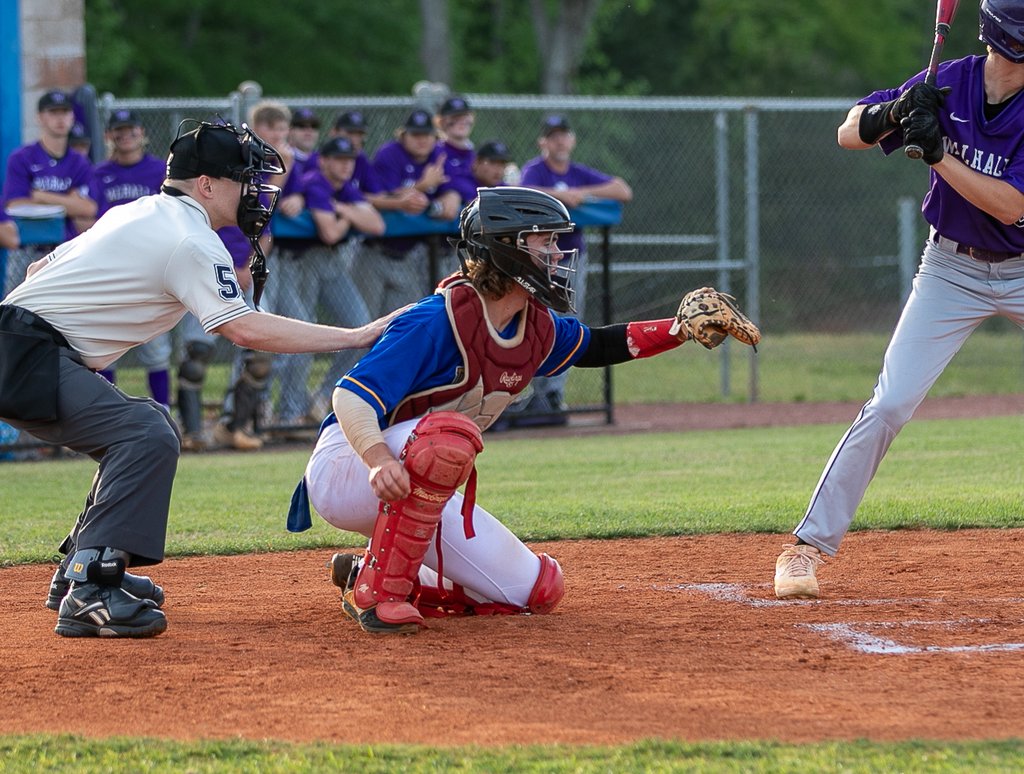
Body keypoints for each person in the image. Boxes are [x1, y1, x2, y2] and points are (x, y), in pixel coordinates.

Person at [287, 187, 746, 635]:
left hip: (414, 479)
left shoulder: (533, 325)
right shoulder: (437, 319)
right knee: (446, 439)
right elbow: (350, 396)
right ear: (506, 248)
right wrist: (377, 460)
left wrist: (678, 329)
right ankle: (378, 595)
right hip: (347, 466)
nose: (558, 253)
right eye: (546, 240)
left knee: (537, 589)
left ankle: (368, 570)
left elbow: (597, 345)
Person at [0, 119, 396, 639]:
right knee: (144, 434)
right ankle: (91, 587)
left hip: (24, 345)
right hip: (28, 355)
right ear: (206, 184)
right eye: (244, 179)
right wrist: (356, 335)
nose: (256, 191)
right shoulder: (190, 238)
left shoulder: (139, 210)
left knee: (148, 422)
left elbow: (36, 273)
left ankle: (85, 566)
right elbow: (244, 328)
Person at [774, 0, 1024, 599]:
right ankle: (805, 548)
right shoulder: (951, 80)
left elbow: (1011, 206)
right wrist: (895, 111)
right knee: (889, 405)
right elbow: (848, 133)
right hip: (951, 270)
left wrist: (939, 155)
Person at [519, 114, 633, 423]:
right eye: (553, 136)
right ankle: (532, 394)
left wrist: (584, 193)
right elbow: (522, 191)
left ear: (572, 140)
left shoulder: (578, 172)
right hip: (537, 261)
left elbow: (622, 190)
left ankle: (553, 395)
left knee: (568, 321)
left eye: (564, 135)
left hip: (571, 258)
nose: (559, 141)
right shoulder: (535, 169)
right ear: (543, 141)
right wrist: (560, 195)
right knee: (535, 323)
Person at [269, 136, 384, 429]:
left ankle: (322, 397)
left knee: (360, 326)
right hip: (297, 262)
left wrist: (344, 211)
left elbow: (377, 225)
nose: (346, 166)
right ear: (323, 161)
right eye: (338, 160)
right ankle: (285, 411)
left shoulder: (344, 189)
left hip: (329, 263)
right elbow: (331, 233)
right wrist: (350, 217)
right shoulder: (315, 182)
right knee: (301, 332)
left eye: (349, 160)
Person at [91, 109, 173, 410]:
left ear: (142, 132)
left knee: (156, 347)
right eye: (119, 130)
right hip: (110, 268)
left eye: (131, 129)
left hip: (150, 267)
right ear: (108, 135)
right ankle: (107, 416)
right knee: (105, 347)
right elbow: (87, 218)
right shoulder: (99, 173)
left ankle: (164, 413)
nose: (125, 135)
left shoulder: (160, 171)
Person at [355, 108, 462, 317]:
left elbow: (453, 192)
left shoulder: (439, 155)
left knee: (403, 321)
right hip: (375, 252)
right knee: (363, 322)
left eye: (427, 134)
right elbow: (380, 197)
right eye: (415, 134)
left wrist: (450, 197)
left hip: (409, 256)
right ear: (403, 135)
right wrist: (422, 185)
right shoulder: (389, 153)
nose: (422, 140)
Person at [1, 89, 97, 293]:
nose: (60, 118)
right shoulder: (22, 157)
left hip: (65, 248)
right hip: (28, 250)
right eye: (53, 112)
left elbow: (88, 209)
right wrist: (67, 203)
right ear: (40, 117)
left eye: (65, 112)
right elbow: (15, 205)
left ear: (72, 117)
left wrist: (40, 196)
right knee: (16, 307)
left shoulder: (80, 162)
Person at [435, 95, 476, 199]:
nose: (461, 122)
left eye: (464, 117)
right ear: (441, 121)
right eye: (454, 118)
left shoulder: (473, 155)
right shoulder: (436, 152)